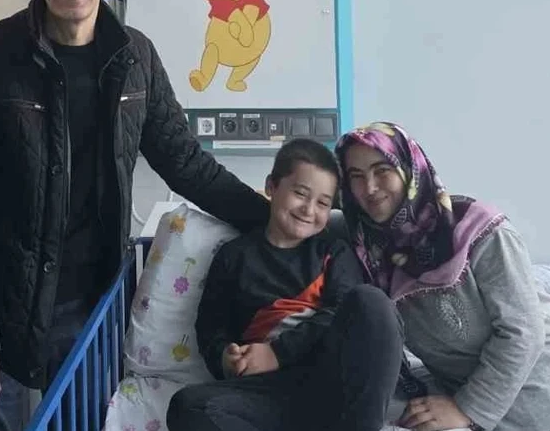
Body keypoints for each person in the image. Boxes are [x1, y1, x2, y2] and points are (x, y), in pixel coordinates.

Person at [0, 0, 270, 431]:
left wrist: (273, 219)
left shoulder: (136, 56)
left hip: (92, 305)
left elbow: (185, 163)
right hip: (3, 305)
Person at [334, 121, 550, 431]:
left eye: (382, 170)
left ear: (409, 169)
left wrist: (466, 408)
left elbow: (523, 332)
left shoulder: (475, 229)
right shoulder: (370, 248)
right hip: (483, 406)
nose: (369, 188)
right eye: (356, 176)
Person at [166, 138, 404, 431]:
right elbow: (211, 328)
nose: (308, 209)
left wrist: (277, 353)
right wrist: (225, 358)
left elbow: (342, 313)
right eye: (300, 193)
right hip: (269, 394)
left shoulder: (334, 252)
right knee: (188, 406)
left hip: (333, 383)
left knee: (372, 302)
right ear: (271, 187)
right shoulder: (234, 256)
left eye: (323, 203)